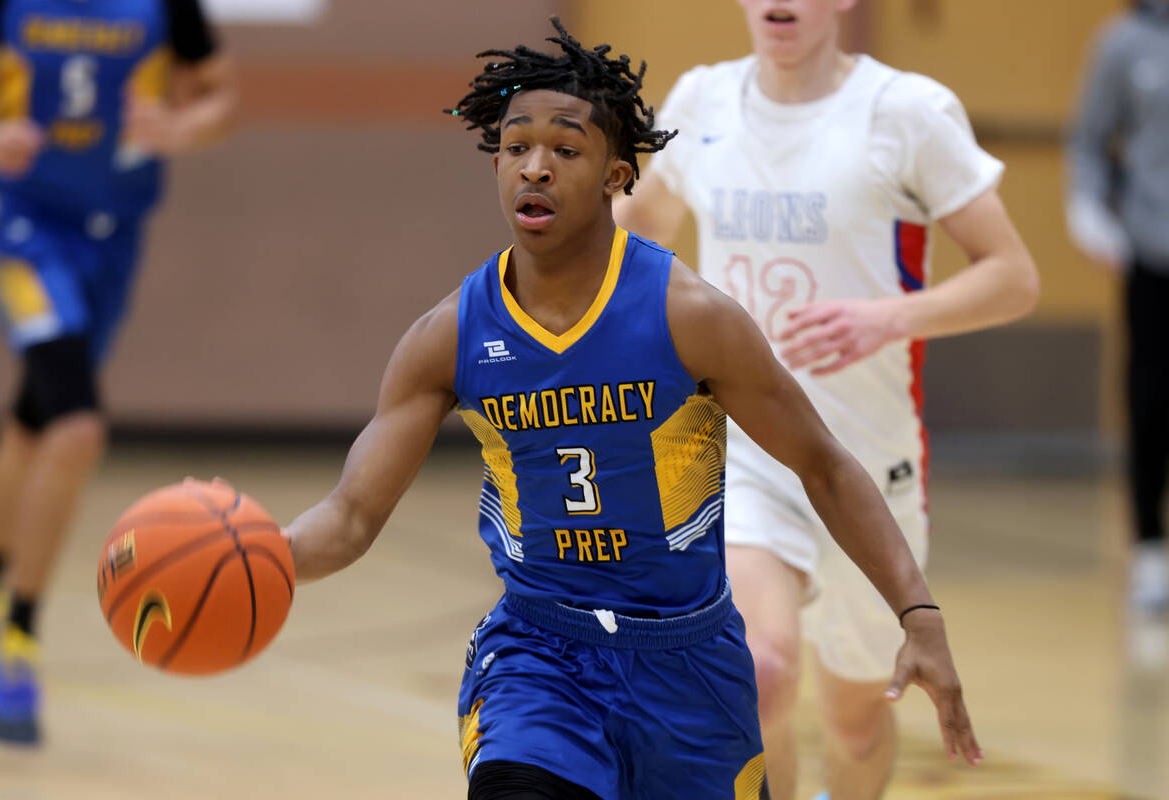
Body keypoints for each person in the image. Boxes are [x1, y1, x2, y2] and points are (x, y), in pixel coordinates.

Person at [283, 18, 980, 800]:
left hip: (690, 672)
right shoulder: (449, 335)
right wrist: (261, 559)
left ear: (618, 177)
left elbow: (822, 463)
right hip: (540, 655)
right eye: (516, 149)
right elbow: (347, 518)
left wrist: (919, 616)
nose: (535, 170)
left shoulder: (691, 317)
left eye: (566, 151)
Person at [614, 1, 1038, 798]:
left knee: (854, 716)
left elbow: (1013, 276)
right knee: (760, 669)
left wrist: (886, 318)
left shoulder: (904, 113)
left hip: (866, 464)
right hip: (742, 450)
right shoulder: (702, 103)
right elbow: (636, 234)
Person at [0, 0, 236, 743]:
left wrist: (181, 128)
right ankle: (19, 639)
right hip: (23, 229)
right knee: (77, 424)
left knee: (36, 422)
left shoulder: (164, 7)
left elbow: (221, 93)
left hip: (113, 241)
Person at [1066, 0, 1169, 616]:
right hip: (1154, 250)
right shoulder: (1125, 42)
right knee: (1153, 400)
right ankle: (1151, 552)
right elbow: (1088, 138)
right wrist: (1089, 209)